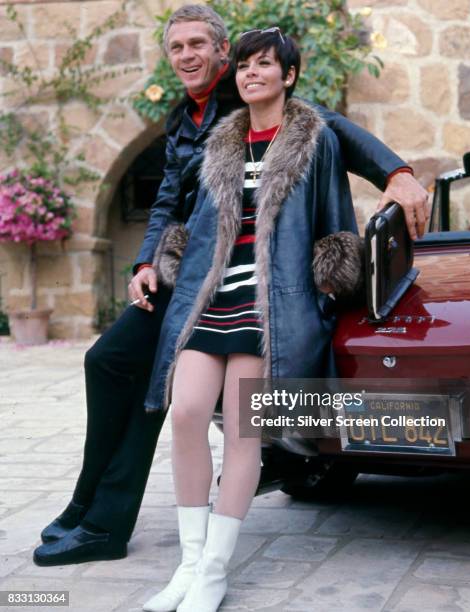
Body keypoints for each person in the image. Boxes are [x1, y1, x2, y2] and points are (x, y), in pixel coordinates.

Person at [33, 4, 429, 567]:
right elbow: (168, 197)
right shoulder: (180, 119)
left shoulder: (246, 96)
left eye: (200, 45)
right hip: (189, 270)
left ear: (225, 53)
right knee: (109, 361)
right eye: (177, 47)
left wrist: (397, 172)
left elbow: (331, 127)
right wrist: (145, 262)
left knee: (158, 382)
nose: (188, 56)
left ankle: (105, 522)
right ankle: (85, 507)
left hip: (236, 281)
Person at [143, 27, 362, 612]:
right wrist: (167, 260)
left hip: (272, 303)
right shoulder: (221, 143)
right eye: (243, 66)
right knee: (187, 414)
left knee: (242, 431)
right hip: (212, 297)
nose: (251, 74)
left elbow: (336, 224)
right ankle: (188, 565)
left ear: (288, 75)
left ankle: (214, 572)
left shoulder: (316, 142)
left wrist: (322, 290)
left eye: (264, 65)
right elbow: (191, 216)